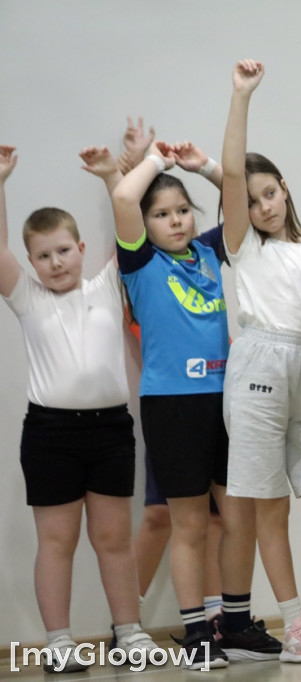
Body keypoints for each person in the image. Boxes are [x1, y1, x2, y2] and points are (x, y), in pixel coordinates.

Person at [87, 140, 282, 669]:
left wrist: (207, 168)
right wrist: (155, 157)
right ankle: (196, 633)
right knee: (190, 525)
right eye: (162, 215)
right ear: (144, 225)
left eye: (181, 212)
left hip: (226, 402)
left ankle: (233, 625)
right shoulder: (140, 261)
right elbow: (125, 198)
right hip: (173, 406)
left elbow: (240, 201)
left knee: (239, 518)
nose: (175, 221)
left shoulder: (209, 250)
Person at [0, 145, 159, 674]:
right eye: (43, 256)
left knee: (113, 539)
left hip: (110, 431)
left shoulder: (109, 284)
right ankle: (59, 641)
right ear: (30, 262)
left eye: (63, 251)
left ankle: (130, 632)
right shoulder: (27, 297)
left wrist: (117, 173)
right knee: (58, 541)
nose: (55, 263)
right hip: (49, 434)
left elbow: (128, 223)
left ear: (82, 248)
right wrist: (0, 181)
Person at [219, 58, 301, 662]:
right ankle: (295, 624)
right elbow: (233, 175)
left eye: (271, 192)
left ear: (285, 189)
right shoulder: (242, 246)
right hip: (260, 367)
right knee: (270, 504)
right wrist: (242, 96)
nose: (263, 205)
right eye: (252, 197)